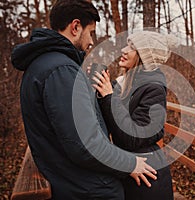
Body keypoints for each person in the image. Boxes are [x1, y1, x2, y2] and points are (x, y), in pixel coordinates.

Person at [11, 1, 157, 199]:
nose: (91, 42)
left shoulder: (50, 64)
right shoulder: (61, 70)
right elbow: (85, 143)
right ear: (76, 27)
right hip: (88, 188)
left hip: (70, 178)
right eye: (91, 33)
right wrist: (129, 163)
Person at [92, 31, 175, 200]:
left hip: (147, 176)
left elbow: (133, 136)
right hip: (129, 167)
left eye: (131, 47)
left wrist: (108, 96)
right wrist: (97, 87)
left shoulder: (154, 88)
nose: (123, 49)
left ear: (144, 55)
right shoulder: (124, 83)